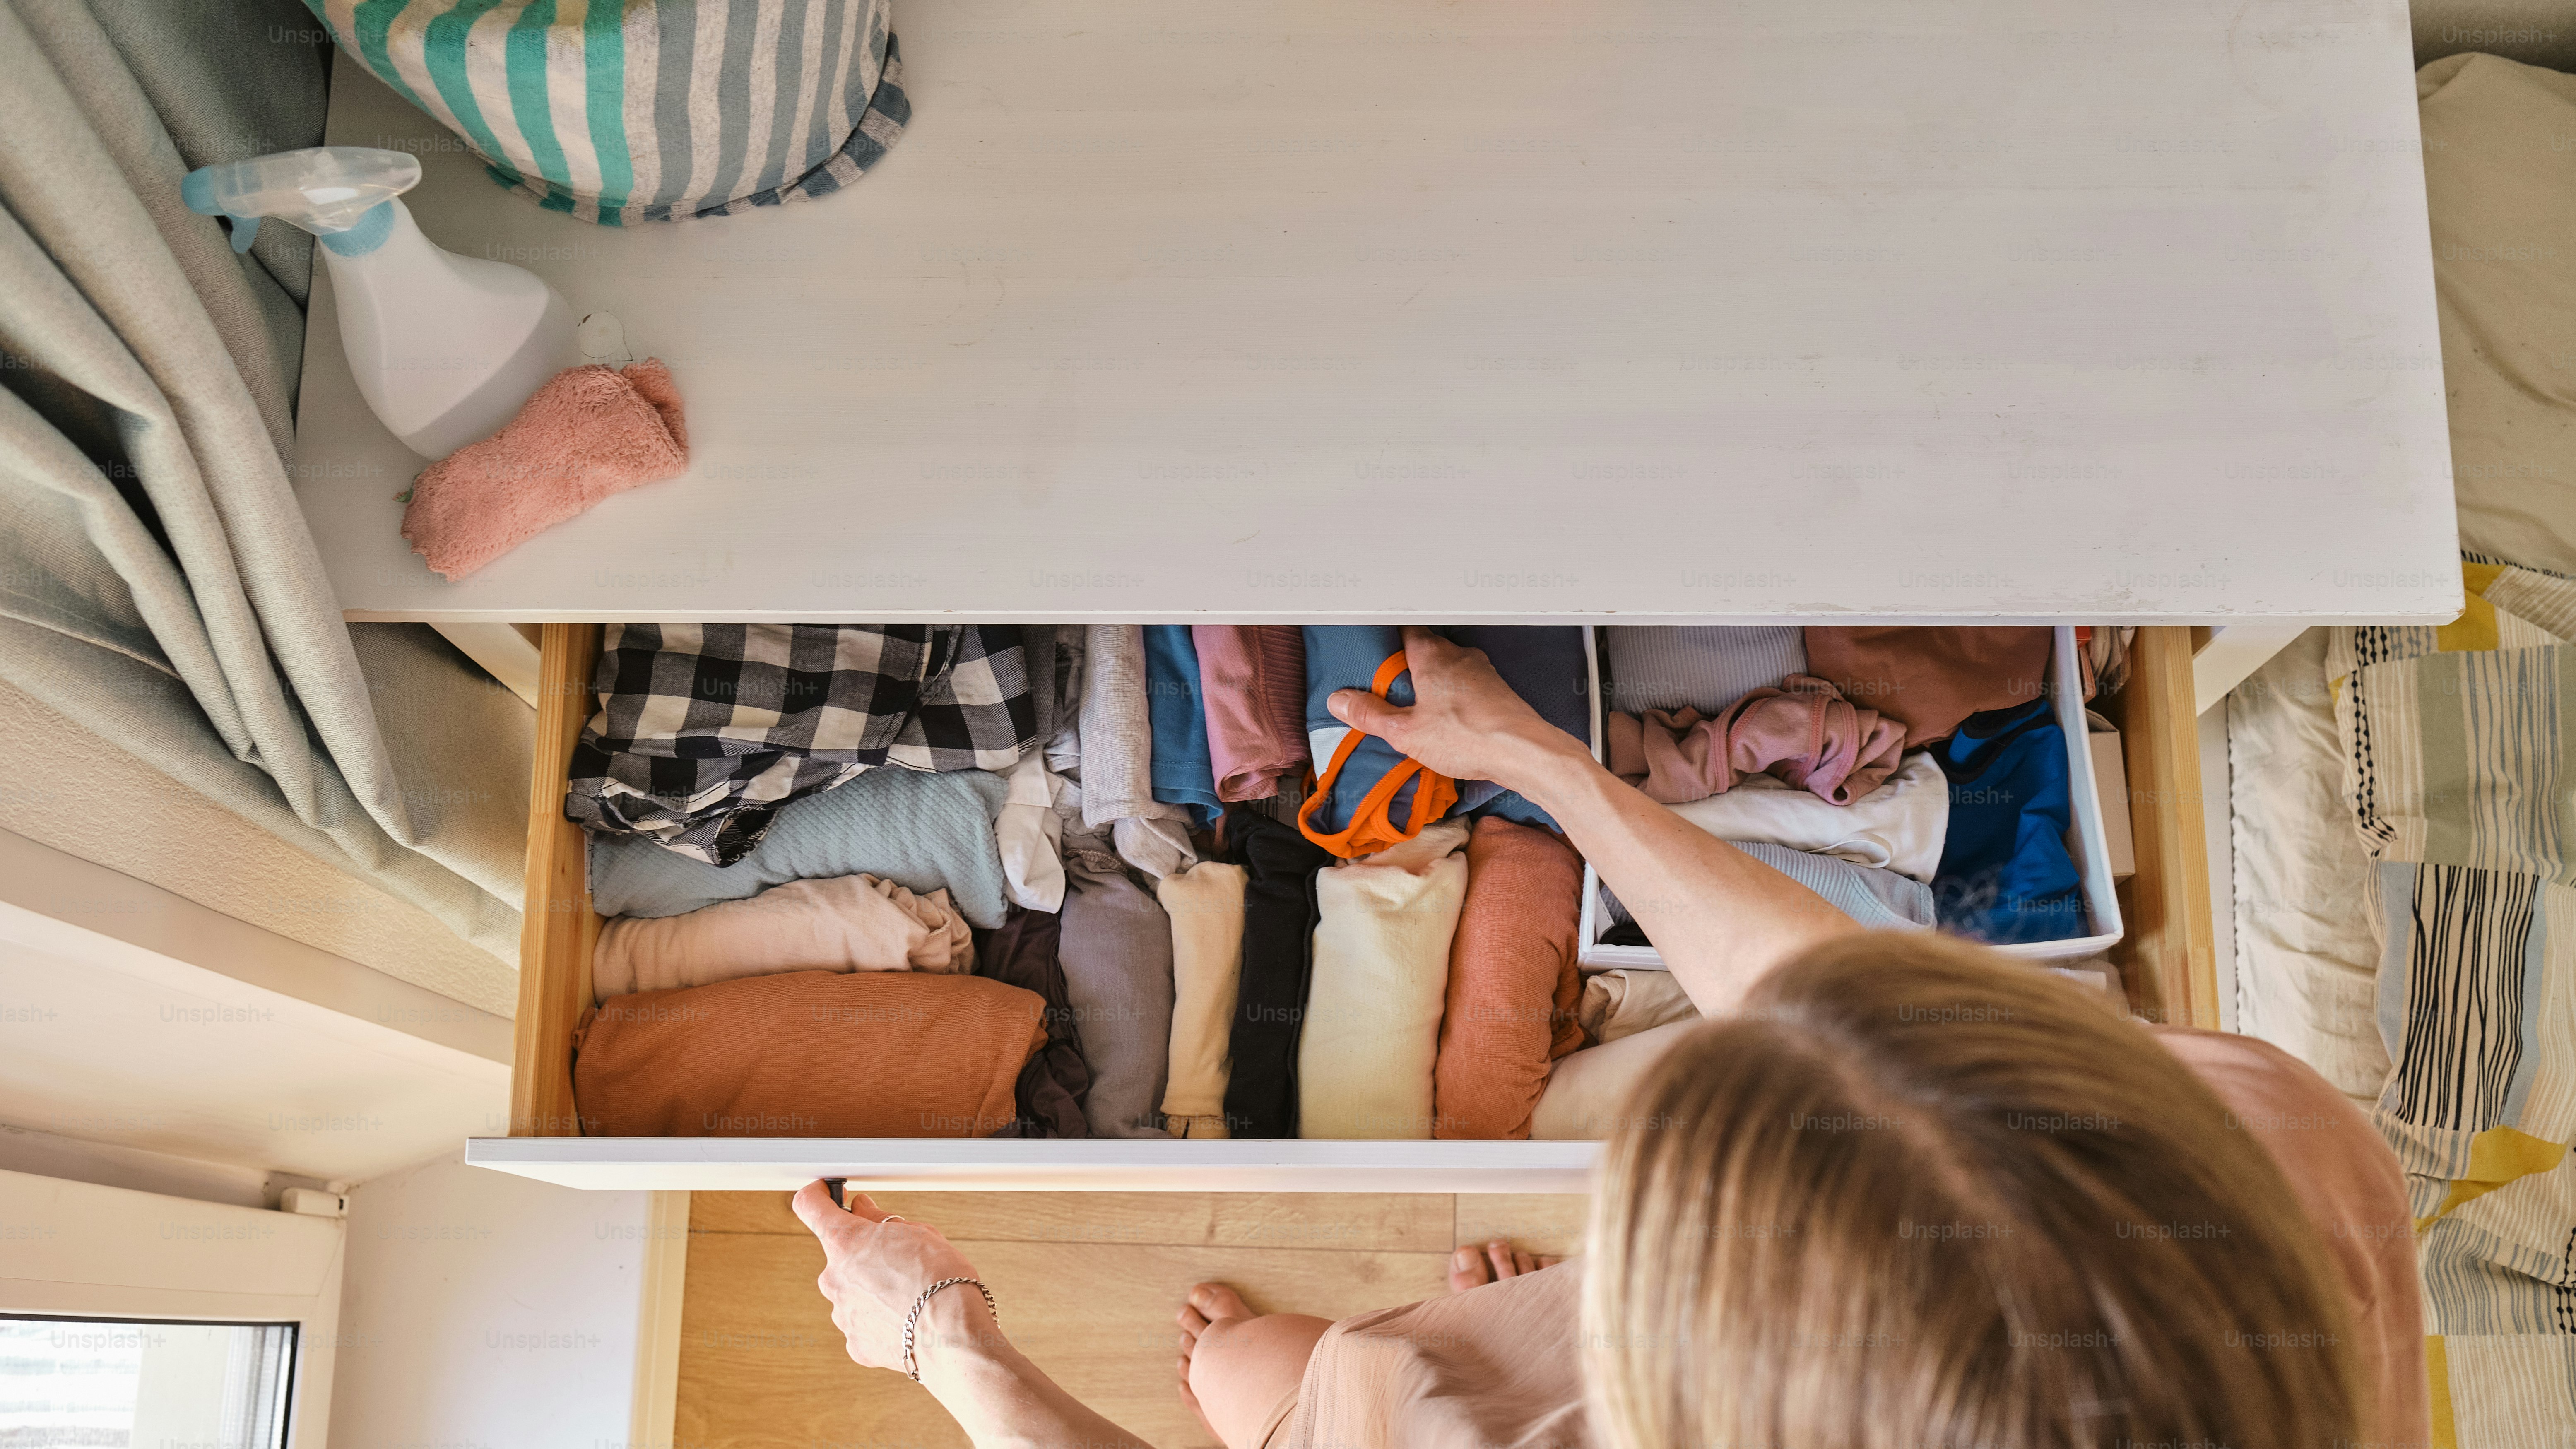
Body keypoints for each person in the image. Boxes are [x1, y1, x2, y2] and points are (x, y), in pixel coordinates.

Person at [792, 628, 2427, 1449]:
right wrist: (1556, 768)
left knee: (1242, 1372)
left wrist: (948, 1336)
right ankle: (1485, 1341)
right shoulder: (2260, 1151)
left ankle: (1444, 1357)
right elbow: (1864, 1020)